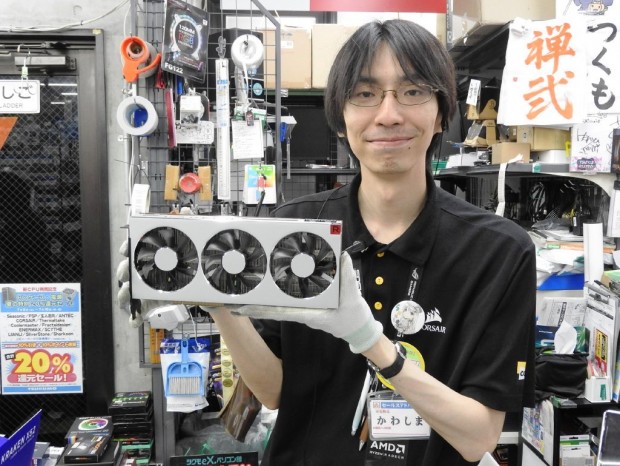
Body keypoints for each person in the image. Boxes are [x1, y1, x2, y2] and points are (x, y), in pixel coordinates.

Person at [209, 19, 536, 465]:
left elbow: (478, 438)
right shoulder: (295, 229)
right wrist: (219, 305)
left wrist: (372, 342)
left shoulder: (499, 252)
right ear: (340, 119)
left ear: (442, 113)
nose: (388, 114)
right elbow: (273, 391)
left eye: (413, 91)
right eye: (364, 94)